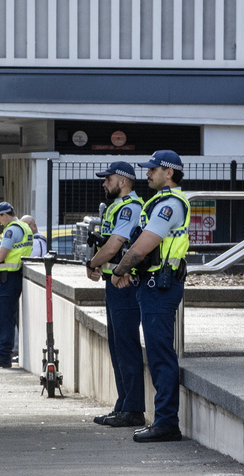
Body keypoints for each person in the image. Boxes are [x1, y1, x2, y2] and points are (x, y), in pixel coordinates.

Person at [111, 150, 190, 443]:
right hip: (154, 284)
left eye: (152, 169)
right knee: (157, 354)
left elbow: (144, 245)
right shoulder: (160, 203)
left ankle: (167, 423)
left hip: (161, 287)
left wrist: (119, 270)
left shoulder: (168, 204)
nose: (147, 173)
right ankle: (164, 420)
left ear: (168, 172)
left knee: (160, 356)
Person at [86, 161, 146, 428]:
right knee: (117, 346)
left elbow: (113, 247)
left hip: (125, 285)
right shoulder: (116, 207)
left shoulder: (130, 208)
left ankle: (133, 409)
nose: (104, 183)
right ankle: (124, 404)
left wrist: (92, 264)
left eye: (107, 179)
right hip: (114, 282)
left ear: (122, 181)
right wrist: (98, 264)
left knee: (126, 346)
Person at [0, 202, 33, 368]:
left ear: (4, 214)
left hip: (7, 278)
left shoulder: (11, 230)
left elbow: (1, 256)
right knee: (8, 317)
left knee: (3, 319)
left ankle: (3, 357)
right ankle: (4, 355)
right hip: (15, 276)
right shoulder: (25, 227)